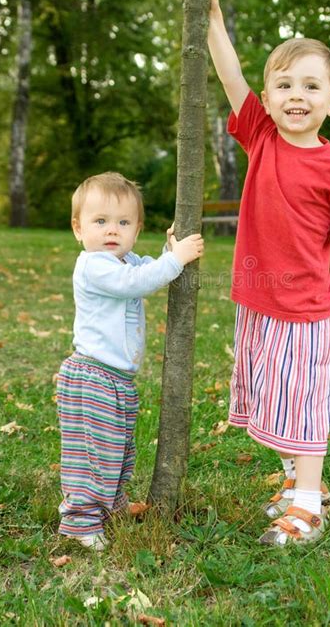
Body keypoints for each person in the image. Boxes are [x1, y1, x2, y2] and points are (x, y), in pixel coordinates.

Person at [208, 0, 330, 546]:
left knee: (305, 399)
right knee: (275, 391)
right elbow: (228, 76)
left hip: (305, 306)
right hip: (258, 298)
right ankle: (296, 479)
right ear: (267, 100)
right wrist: (212, 18)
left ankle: (309, 506)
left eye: (311, 86)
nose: (297, 95)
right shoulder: (261, 136)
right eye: (285, 85)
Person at [56, 171, 204, 550]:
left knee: (120, 450)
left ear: (136, 230)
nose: (112, 231)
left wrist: (169, 252)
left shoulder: (125, 260)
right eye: (100, 221)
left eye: (124, 223)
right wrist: (177, 261)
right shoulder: (94, 264)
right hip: (92, 377)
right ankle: (80, 521)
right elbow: (137, 283)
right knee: (94, 453)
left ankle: (111, 508)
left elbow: (143, 269)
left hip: (116, 380)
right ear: (78, 228)